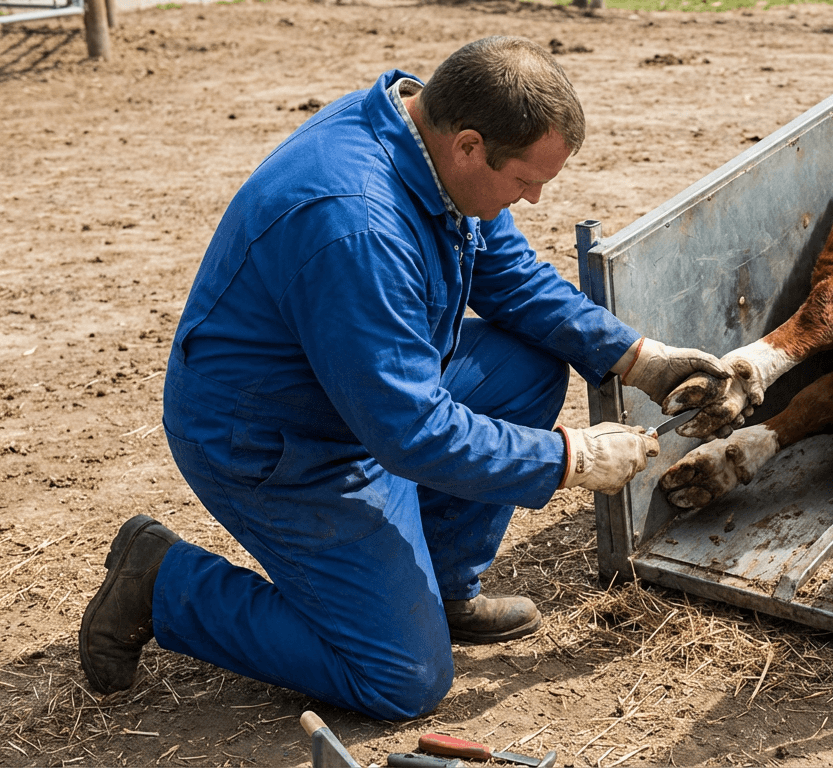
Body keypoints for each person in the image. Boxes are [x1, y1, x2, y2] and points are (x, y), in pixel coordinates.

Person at [77, 36, 731, 721]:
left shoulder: (422, 140)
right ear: (471, 147)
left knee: (529, 365)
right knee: (401, 678)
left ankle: (441, 590)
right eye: (526, 180)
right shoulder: (357, 224)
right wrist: (573, 457)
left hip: (353, 389)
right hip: (275, 442)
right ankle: (165, 584)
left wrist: (637, 357)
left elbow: (506, 274)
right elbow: (409, 430)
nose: (534, 198)